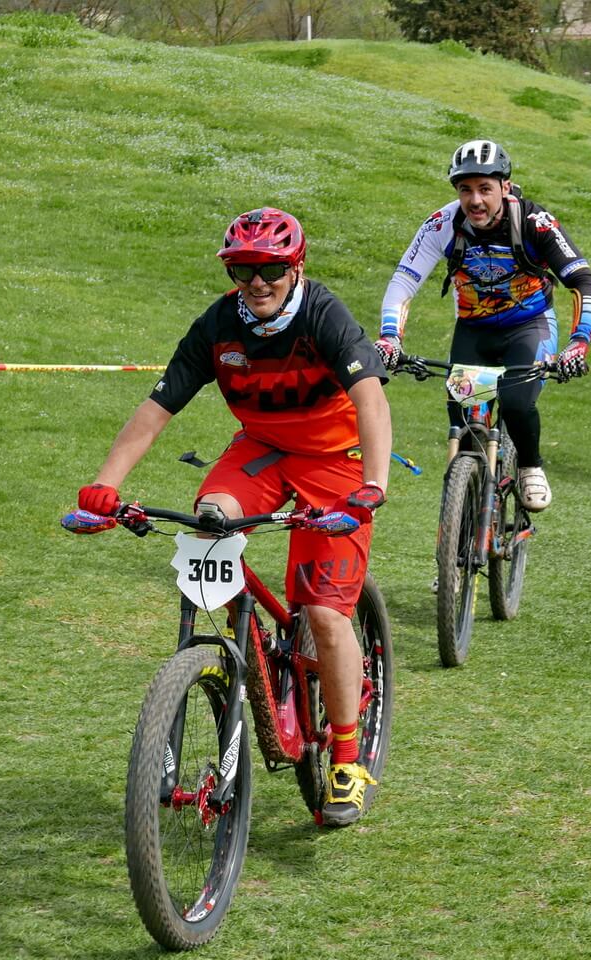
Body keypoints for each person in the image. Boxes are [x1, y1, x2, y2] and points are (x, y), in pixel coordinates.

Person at [77, 208, 393, 827]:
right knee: (210, 520)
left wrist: (374, 485)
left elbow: (370, 400)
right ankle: (229, 652)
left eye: (271, 268)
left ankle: (348, 759)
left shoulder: (324, 314)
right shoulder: (219, 326)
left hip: (336, 461)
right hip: (263, 451)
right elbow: (156, 409)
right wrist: (103, 487)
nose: (257, 281)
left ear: (294, 265)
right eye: (244, 269)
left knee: (326, 613)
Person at [376, 139, 591, 512]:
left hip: (529, 326)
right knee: (463, 419)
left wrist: (579, 341)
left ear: (505, 188)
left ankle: (530, 465)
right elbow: (404, 281)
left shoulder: (534, 222)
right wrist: (389, 336)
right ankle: (458, 537)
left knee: (515, 402)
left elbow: (583, 281)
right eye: (466, 190)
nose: (475, 200)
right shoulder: (443, 224)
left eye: (485, 188)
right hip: (474, 330)